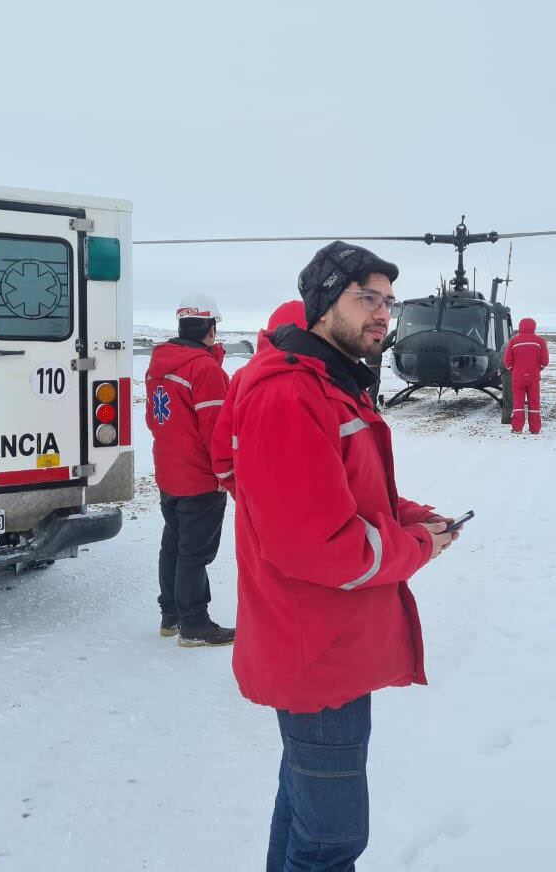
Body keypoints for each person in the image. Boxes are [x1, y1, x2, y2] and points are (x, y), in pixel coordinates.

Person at [225, 241, 457, 871]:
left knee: (305, 816)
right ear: (324, 305)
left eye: (389, 302)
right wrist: (419, 547)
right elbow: (321, 546)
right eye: (366, 298)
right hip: (317, 656)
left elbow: (347, 493)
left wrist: (410, 516)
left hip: (332, 650)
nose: (383, 313)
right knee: (330, 843)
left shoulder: (330, 384)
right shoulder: (291, 396)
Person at [144, 293, 235, 647]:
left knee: (174, 544)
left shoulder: (159, 365)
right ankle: (194, 624)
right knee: (195, 553)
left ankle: (171, 616)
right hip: (199, 477)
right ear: (210, 328)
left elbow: (154, 419)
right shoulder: (204, 369)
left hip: (170, 472)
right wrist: (225, 473)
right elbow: (218, 431)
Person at [211, 299, 308, 498]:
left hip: (256, 503)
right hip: (308, 503)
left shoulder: (243, 377)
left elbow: (223, 455)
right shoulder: (323, 381)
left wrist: (245, 496)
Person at [501, 317, 550, 434]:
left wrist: (514, 370)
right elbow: (545, 361)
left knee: (518, 403)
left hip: (518, 377)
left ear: (521, 326)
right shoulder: (540, 341)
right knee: (534, 402)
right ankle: (535, 429)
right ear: (533, 326)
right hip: (533, 377)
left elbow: (507, 361)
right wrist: (538, 369)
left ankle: (517, 428)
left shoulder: (514, 341)